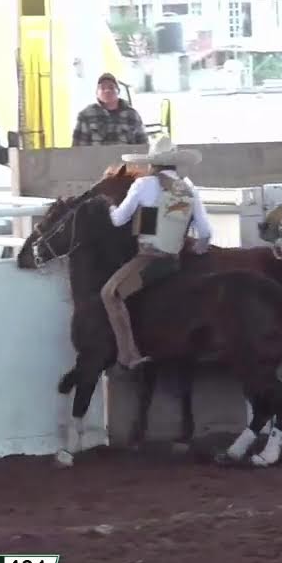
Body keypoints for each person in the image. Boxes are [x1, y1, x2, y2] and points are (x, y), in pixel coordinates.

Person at [102, 135, 212, 369]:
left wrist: (110, 206)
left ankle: (128, 356)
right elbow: (205, 232)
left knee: (109, 294)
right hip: (174, 259)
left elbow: (120, 220)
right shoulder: (189, 188)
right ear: (175, 163)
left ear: (152, 163)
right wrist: (196, 249)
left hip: (149, 260)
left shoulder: (143, 184)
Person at [72, 73, 149, 147]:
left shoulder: (132, 115)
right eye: (102, 88)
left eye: (111, 87)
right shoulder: (85, 116)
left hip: (125, 160)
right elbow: (78, 149)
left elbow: (144, 146)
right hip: (96, 160)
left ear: (118, 91)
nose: (107, 91)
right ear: (96, 93)